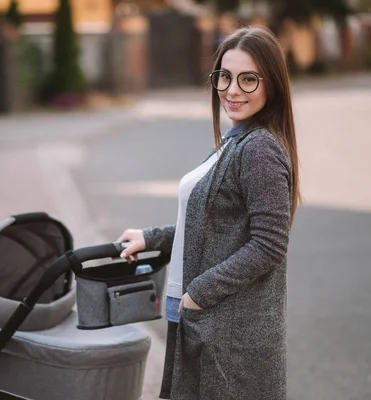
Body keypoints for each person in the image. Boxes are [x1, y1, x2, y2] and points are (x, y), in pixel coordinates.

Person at [117, 25, 300, 400]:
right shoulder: (236, 141)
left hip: (227, 332)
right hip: (203, 320)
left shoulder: (260, 149)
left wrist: (198, 294)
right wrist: (151, 238)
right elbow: (210, 222)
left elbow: (268, 244)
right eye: (225, 77)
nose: (232, 90)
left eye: (248, 79)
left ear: (272, 85)